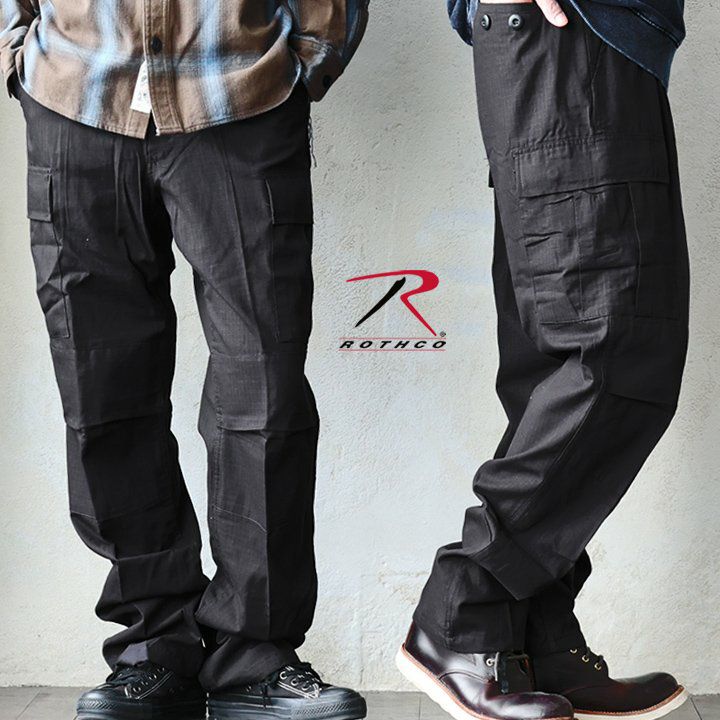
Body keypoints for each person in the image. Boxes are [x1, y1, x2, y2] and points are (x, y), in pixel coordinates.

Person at [0, 2, 369, 719]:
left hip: (242, 92)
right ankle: (151, 648)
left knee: (262, 390)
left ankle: (256, 658)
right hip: (73, 96)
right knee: (102, 390)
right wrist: (19, 55)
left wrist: (309, 56)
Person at [396, 1, 691, 720]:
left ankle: (532, 636)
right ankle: (462, 614)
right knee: (614, 351)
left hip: (578, 50)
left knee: (555, 368)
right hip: (572, 41)